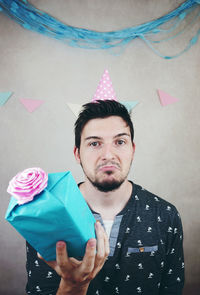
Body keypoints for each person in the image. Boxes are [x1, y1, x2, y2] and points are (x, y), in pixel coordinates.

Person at [26, 100, 184, 295]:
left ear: (132, 149)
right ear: (77, 154)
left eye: (119, 142)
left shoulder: (165, 215)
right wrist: (73, 286)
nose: (108, 155)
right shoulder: (47, 218)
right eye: (94, 143)